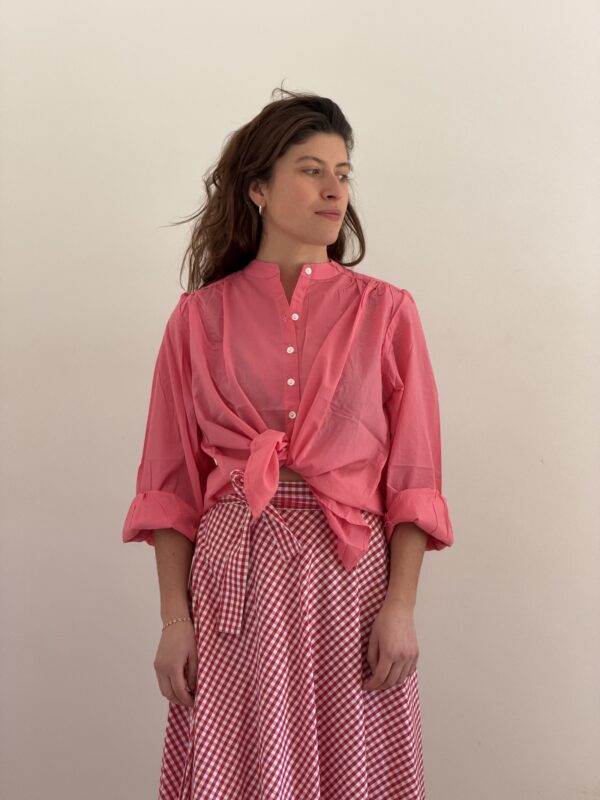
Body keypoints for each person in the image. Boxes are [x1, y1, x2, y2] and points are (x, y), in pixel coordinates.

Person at [122, 86, 454, 800]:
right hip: (234, 583)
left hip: (350, 581)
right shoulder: (196, 319)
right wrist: (174, 621)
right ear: (258, 190)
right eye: (311, 170)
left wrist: (401, 608)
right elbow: (170, 487)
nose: (334, 189)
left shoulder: (387, 312)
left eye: (343, 173)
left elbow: (414, 480)